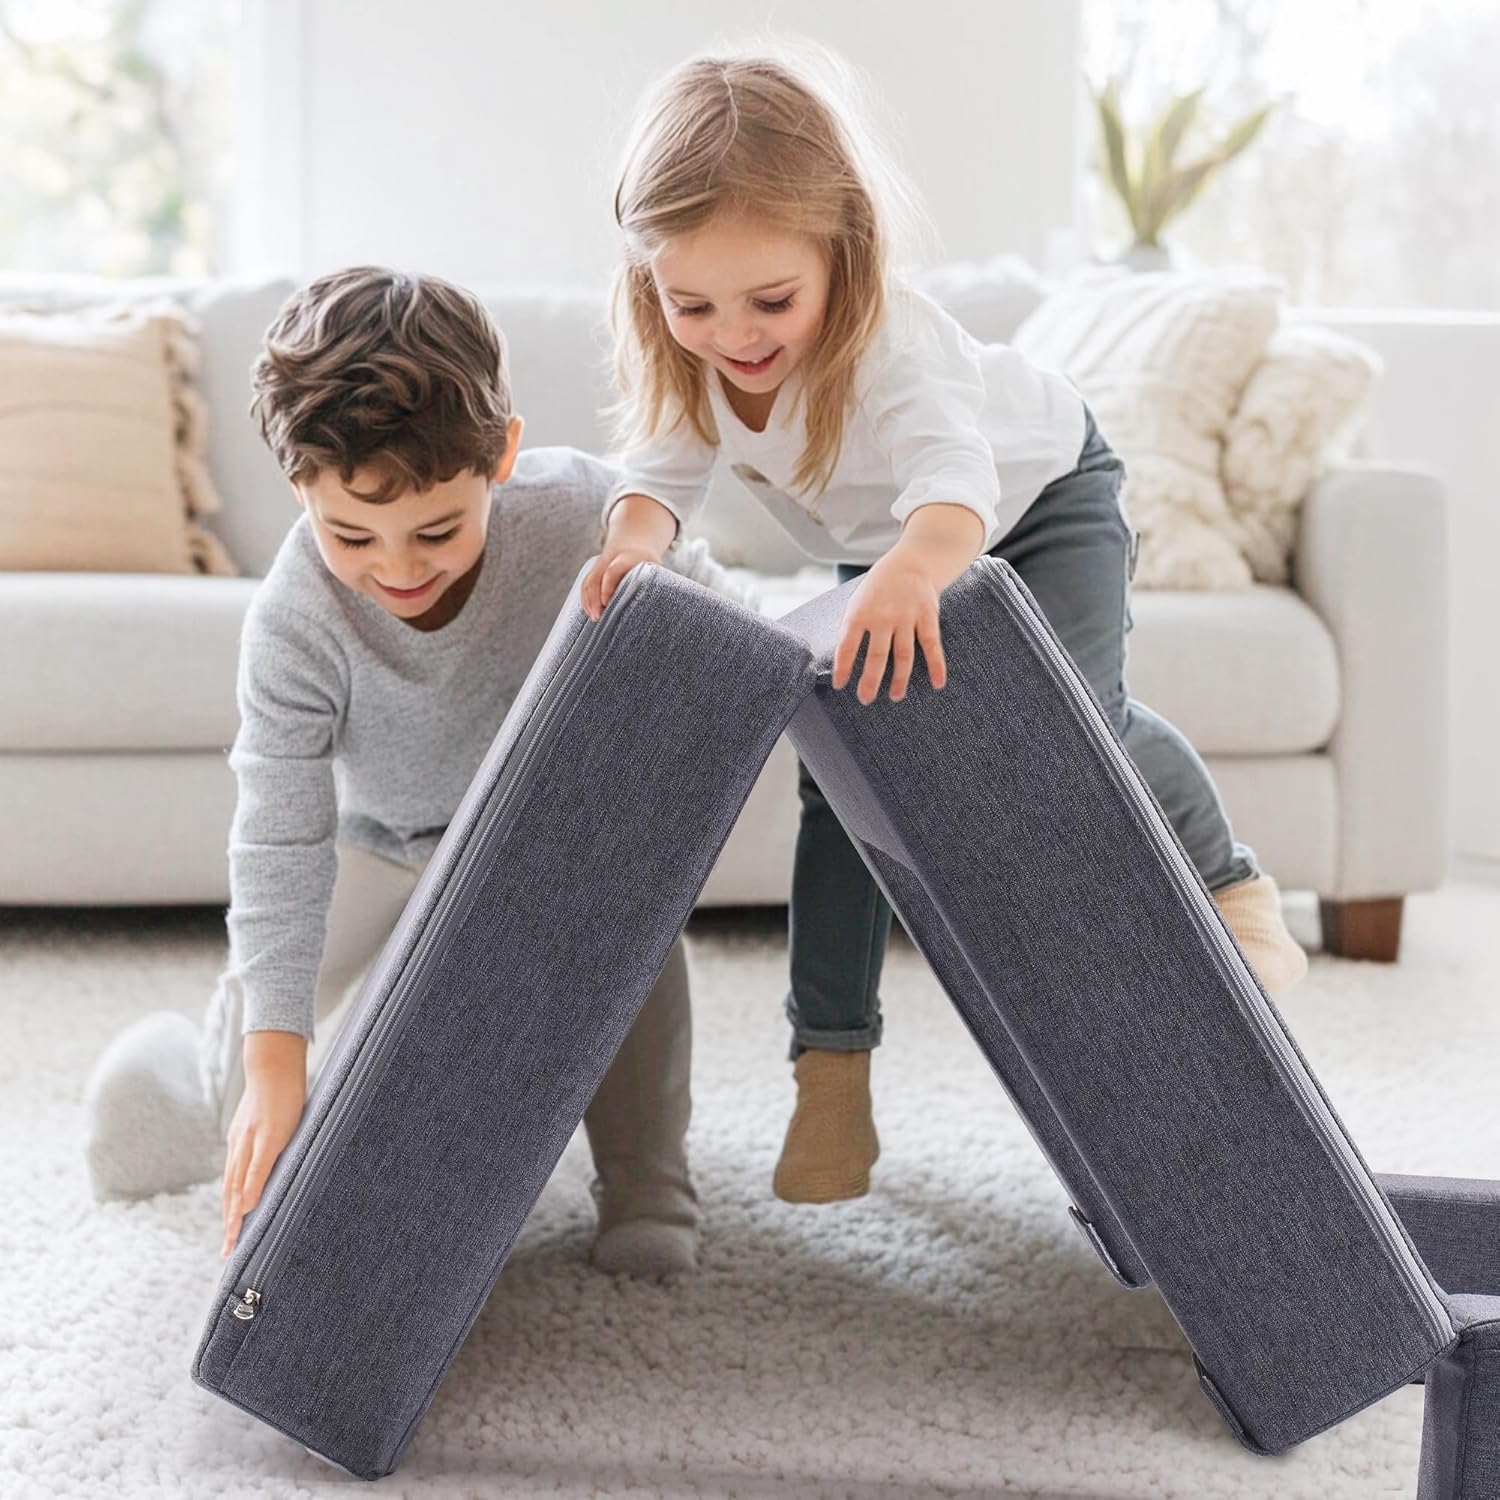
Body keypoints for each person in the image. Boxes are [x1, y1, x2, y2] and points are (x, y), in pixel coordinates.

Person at [581, 49, 1308, 1208]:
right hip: (894, 545)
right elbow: (659, 470)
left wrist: (915, 568)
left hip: (1031, 501)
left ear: (843, 253)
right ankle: (832, 1068)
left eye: (772, 300)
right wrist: (631, 541)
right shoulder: (695, 357)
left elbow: (955, 478)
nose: (735, 335)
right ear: (649, 286)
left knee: (1076, 726)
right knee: (843, 775)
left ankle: (1231, 886)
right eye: (690, 302)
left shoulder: (893, 345)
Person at [84, 266, 754, 1278]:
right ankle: (180, 1070)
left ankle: (647, 1176)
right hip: (379, 846)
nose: (398, 566)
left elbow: (725, 625)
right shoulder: (295, 619)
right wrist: (274, 1062)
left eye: (437, 530)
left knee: (633, 913)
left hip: (539, 843)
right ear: (298, 489)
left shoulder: (580, 512)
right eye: (351, 533)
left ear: (501, 459)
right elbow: (279, 834)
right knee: (253, 1100)